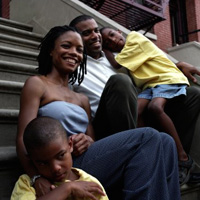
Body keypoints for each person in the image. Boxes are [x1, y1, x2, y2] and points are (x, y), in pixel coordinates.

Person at [16, 24, 181, 200]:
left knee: (166, 141)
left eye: (79, 49)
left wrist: (86, 140)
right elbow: (22, 138)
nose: (74, 53)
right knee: (148, 137)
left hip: (86, 159)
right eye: (66, 46)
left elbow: (92, 140)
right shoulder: (37, 84)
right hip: (59, 164)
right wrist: (35, 177)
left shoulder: (81, 98)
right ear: (51, 50)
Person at [69, 15, 200, 184]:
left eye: (96, 30)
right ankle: (144, 158)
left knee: (193, 95)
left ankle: (179, 163)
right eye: (87, 33)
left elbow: (151, 64)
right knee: (121, 82)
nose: (95, 36)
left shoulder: (116, 56)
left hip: (136, 115)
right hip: (107, 126)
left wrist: (179, 65)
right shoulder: (74, 64)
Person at [99, 27, 193, 167]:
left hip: (167, 79)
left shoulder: (134, 37)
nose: (113, 40)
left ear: (119, 32)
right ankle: (149, 152)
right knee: (135, 112)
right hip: (150, 87)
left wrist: (104, 49)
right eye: (108, 42)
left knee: (155, 107)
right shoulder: (125, 55)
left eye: (112, 35)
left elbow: (116, 63)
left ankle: (182, 156)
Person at [12, 116, 108, 200]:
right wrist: (67, 188)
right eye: (43, 163)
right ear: (32, 161)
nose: (55, 168)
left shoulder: (89, 184)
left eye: (61, 155)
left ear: (70, 145)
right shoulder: (27, 184)